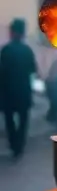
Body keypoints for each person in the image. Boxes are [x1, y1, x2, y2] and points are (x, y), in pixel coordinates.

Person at [0, 19, 38, 158]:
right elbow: (33, 70)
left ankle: (13, 143)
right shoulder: (27, 51)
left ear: (12, 32)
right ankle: (19, 146)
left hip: (8, 92)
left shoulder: (5, 50)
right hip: (23, 92)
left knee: (9, 119)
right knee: (23, 120)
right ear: (22, 33)